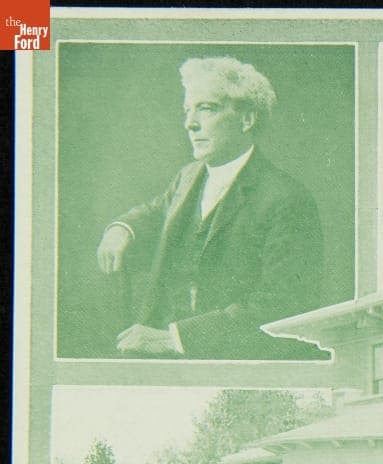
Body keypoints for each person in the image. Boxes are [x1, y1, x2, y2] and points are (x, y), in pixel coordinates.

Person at [96, 56, 326, 360]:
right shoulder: (189, 176)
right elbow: (157, 211)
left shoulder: (287, 198)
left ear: (247, 119)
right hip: (165, 357)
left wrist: (174, 340)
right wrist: (122, 229)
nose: (190, 123)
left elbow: (283, 306)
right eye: (187, 110)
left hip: (235, 363)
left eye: (206, 108)